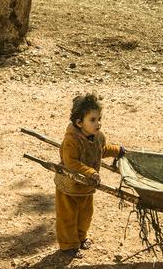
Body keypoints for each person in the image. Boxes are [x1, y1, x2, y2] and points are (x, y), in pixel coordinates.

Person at [54, 92, 125, 258]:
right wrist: (91, 172)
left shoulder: (98, 137)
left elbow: (102, 150)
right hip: (69, 185)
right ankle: (68, 245)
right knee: (68, 216)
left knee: (85, 215)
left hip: (86, 186)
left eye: (99, 119)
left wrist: (116, 151)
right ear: (79, 122)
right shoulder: (72, 140)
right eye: (93, 120)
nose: (98, 123)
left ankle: (80, 237)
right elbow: (71, 163)